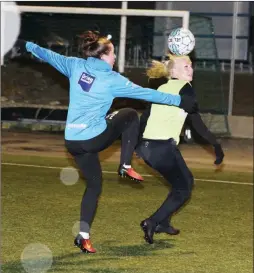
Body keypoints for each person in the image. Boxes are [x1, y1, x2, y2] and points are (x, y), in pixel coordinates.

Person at [14, 31, 197, 253]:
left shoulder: (74, 65)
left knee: (94, 184)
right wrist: (178, 100)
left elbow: (46, 54)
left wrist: (25, 44)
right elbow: (147, 94)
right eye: (112, 54)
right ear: (104, 56)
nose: (114, 59)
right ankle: (125, 164)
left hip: (72, 141)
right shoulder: (112, 79)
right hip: (93, 139)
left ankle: (83, 236)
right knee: (129, 114)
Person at [136, 54, 224, 244]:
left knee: (180, 185)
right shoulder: (186, 89)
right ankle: (152, 222)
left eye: (191, 66)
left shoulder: (161, 88)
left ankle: (163, 222)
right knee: (184, 187)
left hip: (148, 148)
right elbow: (197, 123)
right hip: (162, 148)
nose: (190, 70)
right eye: (185, 67)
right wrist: (215, 145)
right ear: (173, 71)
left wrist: (137, 145)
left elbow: (145, 117)